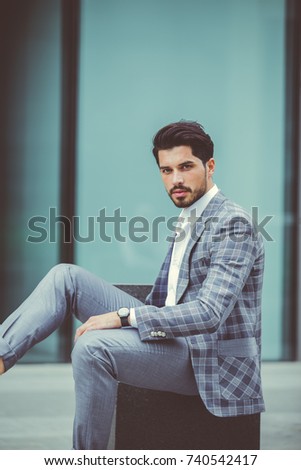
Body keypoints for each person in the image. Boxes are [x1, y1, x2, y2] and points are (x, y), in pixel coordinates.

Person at [0, 121, 265, 450]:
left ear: (209, 166)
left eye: (186, 167)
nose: (176, 179)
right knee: (65, 276)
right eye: (166, 170)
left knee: (92, 348)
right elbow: (168, 295)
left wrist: (124, 317)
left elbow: (210, 313)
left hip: (206, 360)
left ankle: (87, 459)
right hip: (172, 335)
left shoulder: (233, 223)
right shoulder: (190, 215)